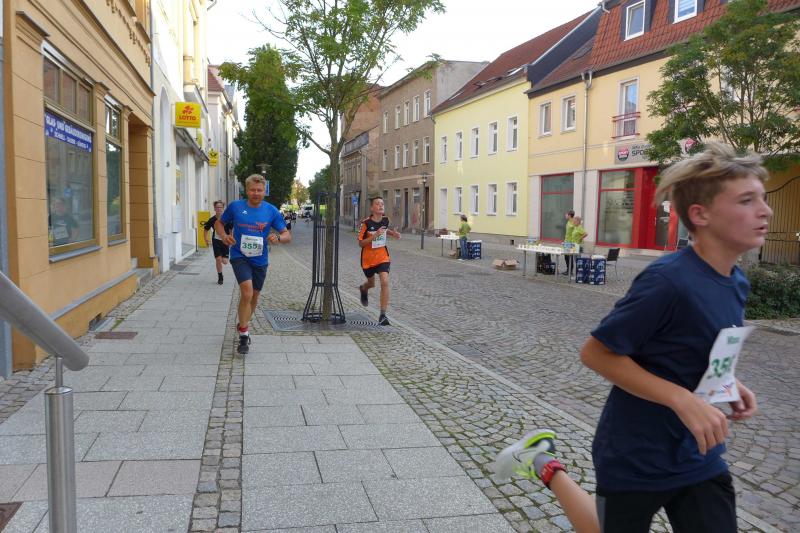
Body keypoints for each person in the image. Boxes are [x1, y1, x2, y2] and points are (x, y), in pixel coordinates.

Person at [493, 143, 770, 533]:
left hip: (698, 455)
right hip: (636, 455)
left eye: (762, 198)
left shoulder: (736, 281)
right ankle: (543, 462)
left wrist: (729, 382)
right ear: (700, 214)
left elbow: (693, 349)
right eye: (746, 200)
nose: (764, 210)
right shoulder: (669, 281)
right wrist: (681, 399)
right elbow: (596, 354)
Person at [216, 174, 292, 355]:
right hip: (239, 255)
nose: (256, 193)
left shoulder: (271, 211)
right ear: (247, 190)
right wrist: (224, 236)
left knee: (254, 297)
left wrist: (278, 238)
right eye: (252, 190)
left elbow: (287, 235)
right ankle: (244, 334)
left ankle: (243, 323)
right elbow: (219, 223)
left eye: (259, 190)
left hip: (260, 259)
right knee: (247, 292)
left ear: (264, 191)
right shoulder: (236, 207)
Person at [357, 197, 401, 325]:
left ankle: (383, 315)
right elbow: (360, 243)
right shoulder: (366, 223)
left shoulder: (385, 220)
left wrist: (394, 234)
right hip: (368, 260)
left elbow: (385, 230)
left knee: (385, 282)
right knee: (371, 284)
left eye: (382, 203)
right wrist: (374, 235)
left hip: (382, 257)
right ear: (372, 208)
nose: (381, 206)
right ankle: (364, 289)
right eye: (377, 204)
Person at [203, 200, 233, 285]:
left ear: (223, 208)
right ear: (214, 208)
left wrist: (231, 239)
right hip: (216, 241)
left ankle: (223, 257)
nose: (219, 209)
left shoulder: (227, 219)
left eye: (220, 207)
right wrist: (206, 239)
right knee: (218, 259)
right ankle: (220, 276)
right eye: (217, 207)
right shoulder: (212, 219)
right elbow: (206, 229)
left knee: (225, 261)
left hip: (225, 241)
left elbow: (231, 230)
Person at [561, 210, 575, 274]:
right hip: (566, 242)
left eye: (566, 214)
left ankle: (570, 271)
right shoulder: (568, 222)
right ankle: (568, 270)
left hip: (571, 242)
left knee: (569, 257)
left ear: (569, 215)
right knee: (566, 256)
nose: (565, 215)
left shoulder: (573, 222)